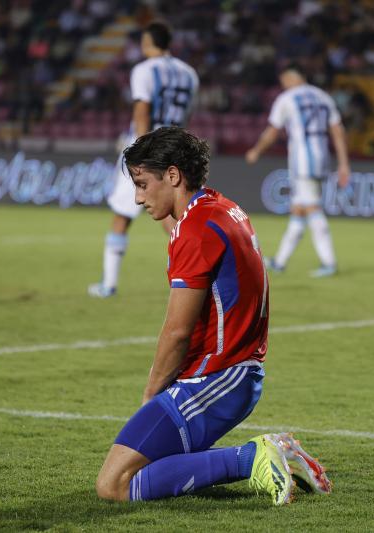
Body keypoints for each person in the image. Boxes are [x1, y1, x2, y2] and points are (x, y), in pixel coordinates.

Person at [95, 127, 332, 505]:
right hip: (237, 374)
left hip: (217, 377)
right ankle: (281, 453)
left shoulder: (196, 229)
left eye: (142, 184)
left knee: (115, 485)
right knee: (157, 465)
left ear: (173, 175)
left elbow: (177, 331)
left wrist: (151, 396)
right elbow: (182, 232)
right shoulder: (218, 208)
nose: (137, 198)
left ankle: (254, 456)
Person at [88, 21, 199, 298]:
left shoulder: (144, 70)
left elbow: (142, 110)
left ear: (148, 42)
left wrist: (142, 149)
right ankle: (199, 264)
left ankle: (108, 284)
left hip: (149, 146)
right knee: (173, 214)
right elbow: (188, 114)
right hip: (176, 144)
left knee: (122, 215)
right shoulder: (190, 74)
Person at [246, 64, 350, 278]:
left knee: (312, 208)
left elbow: (272, 131)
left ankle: (329, 262)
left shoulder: (287, 98)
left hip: (303, 160)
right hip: (321, 156)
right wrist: (343, 163)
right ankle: (280, 261)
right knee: (299, 210)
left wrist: (256, 151)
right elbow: (338, 130)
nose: (283, 85)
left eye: (284, 81)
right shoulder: (323, 96)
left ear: (290, 78)